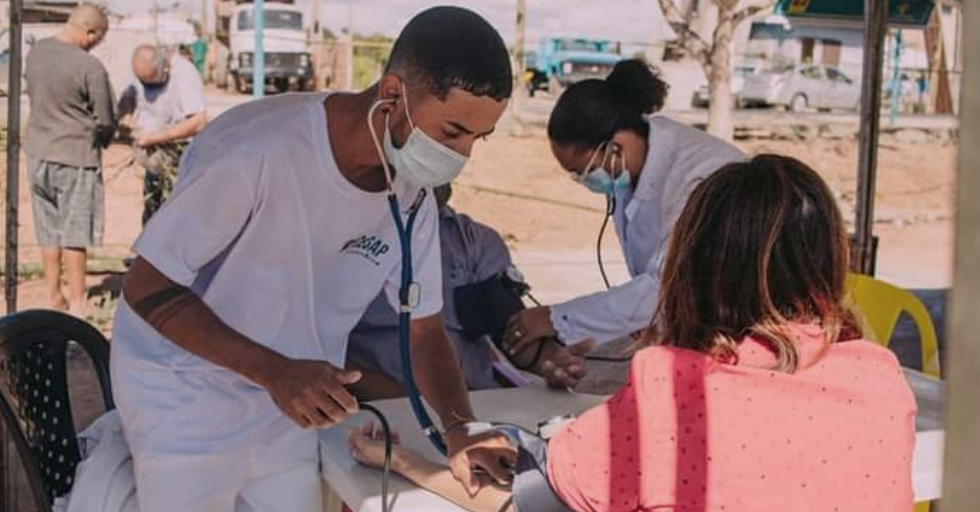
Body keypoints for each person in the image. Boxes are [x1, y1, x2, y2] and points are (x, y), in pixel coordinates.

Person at [111, 7, 545, 511]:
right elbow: (147, 286)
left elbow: (424, 330)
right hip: (185, 400)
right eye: (452, 133)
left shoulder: (412, 196)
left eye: (477, 139)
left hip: (287, 408)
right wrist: (276, 372)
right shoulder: (262, 151)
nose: (463, 156)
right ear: (391, 94)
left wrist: (460, 428)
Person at [350, 154, 918, 512]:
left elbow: (515, 501)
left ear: (689, 266)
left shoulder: (674, 395)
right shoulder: (880, 378)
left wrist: (398, 461)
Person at [505, 59, 747, 363]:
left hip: (740, 325)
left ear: (615, 148)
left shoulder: (701, 175)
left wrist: (554, 319)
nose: (583, 181)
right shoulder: (627, 174)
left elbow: (666, 286)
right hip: (690, 325)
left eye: (583, 172)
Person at [347, 185, 591, 397]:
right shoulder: (345, 246)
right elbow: (325, 363)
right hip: (380, 408)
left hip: (475, 402)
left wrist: (550, 360)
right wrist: (416, 404)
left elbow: (510, 333)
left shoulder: (474, 241)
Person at [24, 3, 115, 316]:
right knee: (75, 233)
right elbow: (104, 119)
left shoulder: (36, 53)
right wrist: (107, 137)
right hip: (75, 156)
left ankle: (54, 295)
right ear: (90, 33)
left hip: (37, 152)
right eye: (99, 38)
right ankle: (78, 303)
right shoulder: (90, 67)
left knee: (48, 231)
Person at [117, 44, 208, 225]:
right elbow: (127, 100)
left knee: (174, 213)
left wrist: (156, 137)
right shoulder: (139, 70)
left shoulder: (184, 73)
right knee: (152, 209)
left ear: (165, 67)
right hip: (153, 156)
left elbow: (199, 121)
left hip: (178, 154)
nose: (149, 88)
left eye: (153, 82)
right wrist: (127, 119)